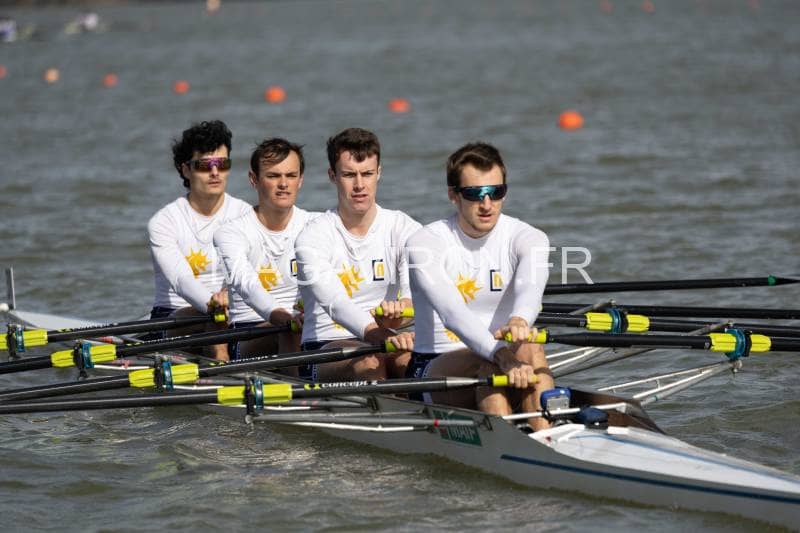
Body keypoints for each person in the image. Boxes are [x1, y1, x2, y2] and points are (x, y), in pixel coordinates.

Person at [405, 142, 554, 430]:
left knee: (530, 347)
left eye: (495, 192)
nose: (487, 204)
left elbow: (531, 287)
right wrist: (501, 355)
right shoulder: (425, 243)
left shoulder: (529, 237)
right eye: (474, 194)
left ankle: (546, 436)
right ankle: (512, 441)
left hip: (506, 360)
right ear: (453, 195)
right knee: (491, 365)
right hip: (435, 366)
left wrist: (520, 319)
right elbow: (452, 313)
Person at [295, 127, 419, 381]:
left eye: (367, 174)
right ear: (332, 176)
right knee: (370, 361)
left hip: (386, 338)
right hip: (324, 345)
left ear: (379, 173)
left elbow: (416, 286)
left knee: (408, 361)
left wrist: (404, 307)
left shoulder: (404, 228)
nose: (360, 185)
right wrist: (377, 333)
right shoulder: (313, 236)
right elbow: (335, 303)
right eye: (349, 175)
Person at [147, 120, 251, 361]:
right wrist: (215, 304)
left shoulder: (245, 215)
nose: (215, 172)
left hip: (232, 312)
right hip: (173, 317)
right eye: (205, 165)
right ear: (186, 170)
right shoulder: (164, 222)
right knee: (214, 315)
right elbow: (181, 280)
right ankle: (223, 368)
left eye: (222, 164)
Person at [214, 138, 319, 363]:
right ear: (254, 179)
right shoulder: (231, 232)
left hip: (306, 326)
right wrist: (280, 315)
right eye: (273, 176)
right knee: (290, 330)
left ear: (300, 180)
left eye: (291, 175)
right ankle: (298, 384)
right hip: (248, 334)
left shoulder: (317, 225)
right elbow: (245, 283)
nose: (284, 184)